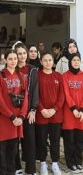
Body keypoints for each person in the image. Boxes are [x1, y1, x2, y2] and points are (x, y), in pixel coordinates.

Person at [36, 52, 64, 175]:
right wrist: (41, 109)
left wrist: (55, 109)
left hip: (55, 115)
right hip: (41, 114)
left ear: (53, 62)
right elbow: (34, 95)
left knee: (55, 140)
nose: (48, 62)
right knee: (41, 140)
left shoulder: (58, 76)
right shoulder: (37, 75)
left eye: (50, 60)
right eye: (45, 60)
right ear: (41, 62)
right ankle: (43, 163)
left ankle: (54, 163)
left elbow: (62, 96)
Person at [0, 49, 28, 175]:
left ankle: (11, 172)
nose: (13, 61)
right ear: (5, 60)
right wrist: (11, 116)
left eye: (15, 59)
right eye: (10, 58)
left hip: (18, 120)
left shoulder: (21, 76)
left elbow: (25, 98)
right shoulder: (1, 76)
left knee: (13, 150)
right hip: (5, 118)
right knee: (2, 150)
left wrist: (21, 117)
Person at [62, 53, 83, 173]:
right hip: (69, 113)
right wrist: (73, 108)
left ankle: (78, 161)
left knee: (80, 140)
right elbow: (66, 93)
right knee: (70, 140)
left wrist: (82, 110)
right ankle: (70, 162)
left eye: (78, 60)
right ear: (70, 62)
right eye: (74, 60)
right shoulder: (64, 76)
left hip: (81, 115)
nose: (76, 62)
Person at [14, 43, 39, 175]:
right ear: (15, 55)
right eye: (19, 54)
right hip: (14, 112)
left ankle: (31, 169)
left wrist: (33, 109)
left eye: (24, 53)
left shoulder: (32, 70)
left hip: (29, 111)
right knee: (14, 141)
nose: (22, 56)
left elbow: (35, 90)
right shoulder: (11, 69)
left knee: (30, 140)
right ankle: (17, 167)